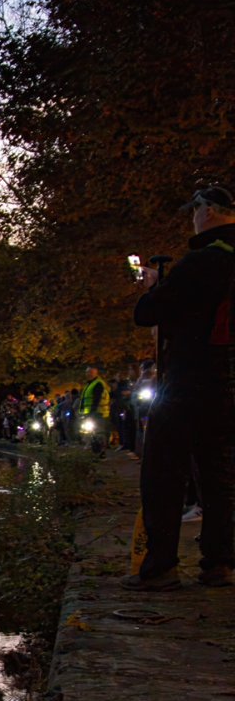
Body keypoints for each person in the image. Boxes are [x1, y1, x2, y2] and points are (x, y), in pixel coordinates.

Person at [124, 182, 235, 590]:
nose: (193, 216)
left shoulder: (202, 260)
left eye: (195, 210)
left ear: (206, 211)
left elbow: (148, 312)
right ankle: (220, 563)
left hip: (190, 380)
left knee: (163, 472)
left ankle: (160, 566)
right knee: (219, 472)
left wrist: (155, 286)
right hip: (229, 383)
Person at [78, 366, 111, 457]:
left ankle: (101, 452)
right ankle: (95, 451)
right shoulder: (89, 384)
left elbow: (96, 399)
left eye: (91, 372)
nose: (89, 374)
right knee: (92, 432)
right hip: (91, 412)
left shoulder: (97, 384)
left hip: (98, 412)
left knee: (98, 432)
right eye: (88, 372)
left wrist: (92, 412)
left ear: (96, 373)